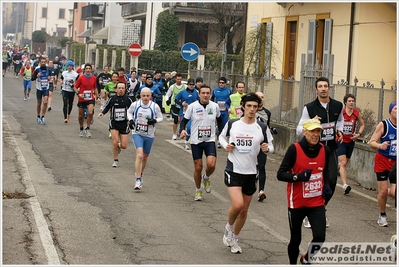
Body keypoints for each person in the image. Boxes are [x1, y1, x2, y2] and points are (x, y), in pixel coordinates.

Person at [219, 93, 270, 254]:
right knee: (238, 204)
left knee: (244, 210)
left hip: (251, 172)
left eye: (255, 106)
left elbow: (270, 145)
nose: (252, 109)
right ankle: (229, 227)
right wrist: (226, 145)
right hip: (233, 170)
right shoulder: (233, 123)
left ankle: (235, 238)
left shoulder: (261, 127)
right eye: (249, 106)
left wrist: (267, 149)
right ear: (243, 106)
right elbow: (221, 136)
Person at [277, 118, 331, 264]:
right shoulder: (294, 149)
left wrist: (326, 185)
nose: (315, 134)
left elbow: (325, 170)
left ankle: (307, 259)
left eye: (318, 131)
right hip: (297, 203)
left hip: (316, 202)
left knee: (320, 237)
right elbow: (280, 174)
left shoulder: (324, 150)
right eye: (312, 131)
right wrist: (297, 177)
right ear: (304, 132)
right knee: (295, 239)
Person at [296, 76, 343, 228]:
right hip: (314, 151)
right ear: (316, 90)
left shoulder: (337, 106)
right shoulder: (309, 108)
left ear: (329, 88)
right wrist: (312, 122)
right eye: (320, 86)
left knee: (332, 180)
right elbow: (299, 130)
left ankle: (321, 209)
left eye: (325, 86)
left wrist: (340, 130)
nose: (323, 89)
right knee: (315, 182)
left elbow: (340, 121)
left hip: (331, 149)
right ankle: (311, 214)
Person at [179, 85, 224, 201]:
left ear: (210, 94)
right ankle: (198, 190)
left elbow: (219, 119)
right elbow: (184, 120)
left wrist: (222, 133)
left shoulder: (214, 106)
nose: (205, 95)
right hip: (196, 141)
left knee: (211, 165)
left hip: (209, 140)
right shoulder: (193, 107)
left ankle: (206, 177)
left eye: (207, 93)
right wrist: (182, 130)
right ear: (198, 94)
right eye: (203, 93)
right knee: (198, 167)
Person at [127, 87, 163, 190]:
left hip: (149, 134)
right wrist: (130, 120)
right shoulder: (135, 104)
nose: (146, 98)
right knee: (140, 155)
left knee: (145, 157)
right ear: (140, 96)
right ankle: (138, 179)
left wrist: (154, 121)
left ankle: (140, 173)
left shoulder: (154, 106)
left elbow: (161, 117)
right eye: (143, 96)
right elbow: (129, 112)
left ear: (150, 96)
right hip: (137, 133)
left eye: (148, 96)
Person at [369, 101, 397, 227]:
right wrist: (381, 145)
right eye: (395, 108)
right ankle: (382, 214)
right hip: (382, 160)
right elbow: (371, 142)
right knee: (384, 191)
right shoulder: (384, 125)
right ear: (390, 111)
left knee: (394, 191)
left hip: (396, 163)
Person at [98, 81, 133, 167]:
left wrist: (132, 119)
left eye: (122, 88)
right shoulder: (112, 98)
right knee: (114, 142)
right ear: (115, 89)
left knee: (124, 145)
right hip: (114, 122)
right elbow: (107, 107)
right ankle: (115, 160)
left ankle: (119, 146)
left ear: (125, 89)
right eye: (119, 88)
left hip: (124, 124)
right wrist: (102, 113)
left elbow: (133, 110)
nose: (121, 90)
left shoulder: (128, 100)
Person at [337, 93, 365, 195]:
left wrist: (359, 134)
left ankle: (335, 168)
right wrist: (339, 132)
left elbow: (362, 124)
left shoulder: (357, 113)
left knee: (344, 163)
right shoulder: (341, 113)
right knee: (343, 162)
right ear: (345, 102)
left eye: (353, 101)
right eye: (349, 101)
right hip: (341, 141)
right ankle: (345, 186)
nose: (351, 103)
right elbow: (336, 124)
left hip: (351, 141)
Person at [255, 91, 275, 202]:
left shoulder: (267, 113)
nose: (261, 99)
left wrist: (272, 131)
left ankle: (261, 191)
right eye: (258, 97)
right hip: (251, 143)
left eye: (262, 97)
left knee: (262, 166)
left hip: (263, 143)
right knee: (253, 167)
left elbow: (267, 127)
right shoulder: (249, 110)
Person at [74, 63, 99, 138]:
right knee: (81, 115)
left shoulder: (94, 78)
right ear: (84, 69)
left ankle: (88, 128)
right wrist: (78, 94)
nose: (88, 70)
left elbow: (95, 88)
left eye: (89, 68)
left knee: (90, 113)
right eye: (86, 68)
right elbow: (75, 87)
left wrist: (98, 97)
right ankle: (81, 128)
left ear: (91, 70)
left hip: (90, 98)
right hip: (82, 98)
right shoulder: (81, 78)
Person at [175, 78, 200, 150]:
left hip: (193, 113)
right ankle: (180, 130)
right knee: (183, 126)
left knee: (189, 128)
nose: (191, 86)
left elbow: (200, 100)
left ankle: (186, 142)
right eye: (190, 84)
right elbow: (176, 100)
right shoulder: (182, 92)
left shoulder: (196, 92)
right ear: (187, 85)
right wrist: (182, 103)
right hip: (184, 112)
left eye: (193, 84)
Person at [211, 77, 232, 147]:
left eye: (222, 83)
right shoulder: (215, 90)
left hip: (225, 111)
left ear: (225, 84)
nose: (221, 84)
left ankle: (222, 140)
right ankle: (218, 140)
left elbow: (230, 100)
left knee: (225, 125)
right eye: (220, 83)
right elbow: (212, 98)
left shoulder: (229, 91)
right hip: (217, 111)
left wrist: (229, 108)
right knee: (217, 125)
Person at [165, 73, 186, 140]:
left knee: (183, 119)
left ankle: (181, 130)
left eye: (180, 79)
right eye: (177, 79)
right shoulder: (172, 87)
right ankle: (174, 134)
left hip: (183, 105)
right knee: (176, 120)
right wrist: (167, 100)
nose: (179, 80)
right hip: (174, 104)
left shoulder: (185, 87)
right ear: (175, 79)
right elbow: (168, 94)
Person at [31, 57, 51, 125]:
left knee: (45, 102)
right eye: (42, 62)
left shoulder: (48, 69)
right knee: (39, 103)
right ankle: (38, 116)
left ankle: (43, 116)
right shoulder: (37, 69)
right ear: (40, 62)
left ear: (46, 62)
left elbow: (50, 78)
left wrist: (49, 78)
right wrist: (37, 76)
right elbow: (32, 78)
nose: (43, 63)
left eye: (44, 62)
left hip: (46, 88)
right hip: (39, 88)